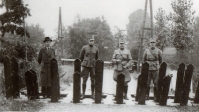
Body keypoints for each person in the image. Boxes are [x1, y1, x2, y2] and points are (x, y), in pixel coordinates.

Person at [79, 35, 99, 99]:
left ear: (94, 41)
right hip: (85, 65)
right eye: (90, 41)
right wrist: (83, 63)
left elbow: (97, 59)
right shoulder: (84, 48)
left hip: (93, 66)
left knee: (93, 80)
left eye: (92, 41)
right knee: (84, 79)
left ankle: (92, 94)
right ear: (88, 41)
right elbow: (81, 57)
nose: (91, 42)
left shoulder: (96, 49)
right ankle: (83, 94)